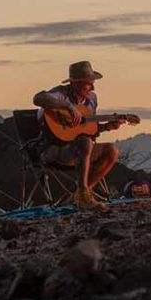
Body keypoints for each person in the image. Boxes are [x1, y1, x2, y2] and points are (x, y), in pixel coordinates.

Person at [33, 61, 124, 212]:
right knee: (85, 143)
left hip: (81, 149)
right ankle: (83, 195)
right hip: (55, 150)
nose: (93, 88)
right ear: (75, 83)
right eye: (89, 84)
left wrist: (107, 126)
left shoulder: (92, 100)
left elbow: (88, 131)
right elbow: (38, 98)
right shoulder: (61, 93)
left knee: (111, 151)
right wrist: (67, 106)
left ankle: (82, 193)